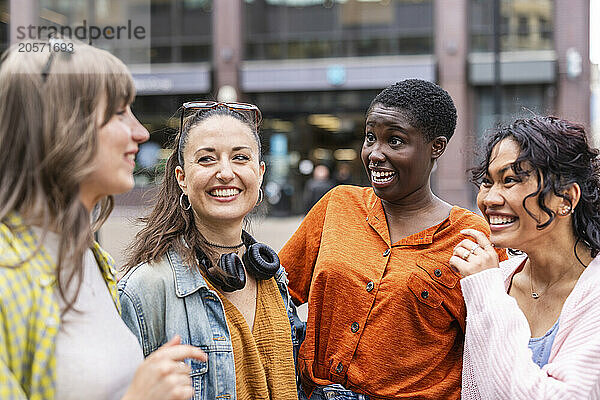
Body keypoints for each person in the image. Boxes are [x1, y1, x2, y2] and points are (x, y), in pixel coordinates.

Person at [0, 38, 206, 400]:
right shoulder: (8, 272)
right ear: (61, 125)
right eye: (118, 113)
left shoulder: (93, 259)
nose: (141, 132)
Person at [279, 79, 507, 400]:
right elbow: (276, 291)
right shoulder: (339, 204)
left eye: (395, 141)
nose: (375, 153)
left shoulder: (471, 237)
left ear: (436, 147)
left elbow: (499, 337)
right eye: (371, 137)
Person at [118, 101, 302, 400]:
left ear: (260, 172)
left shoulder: (273, 277)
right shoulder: (147, 288)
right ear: (182, 178)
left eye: (240, 158)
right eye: (206, 159)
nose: (226, 173)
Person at [450, 116, 600, 399]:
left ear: (565, 199)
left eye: (510, 181)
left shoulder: (489, 286)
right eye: (486, 182)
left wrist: (486, 291)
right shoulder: (501, 278)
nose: (490, 199)